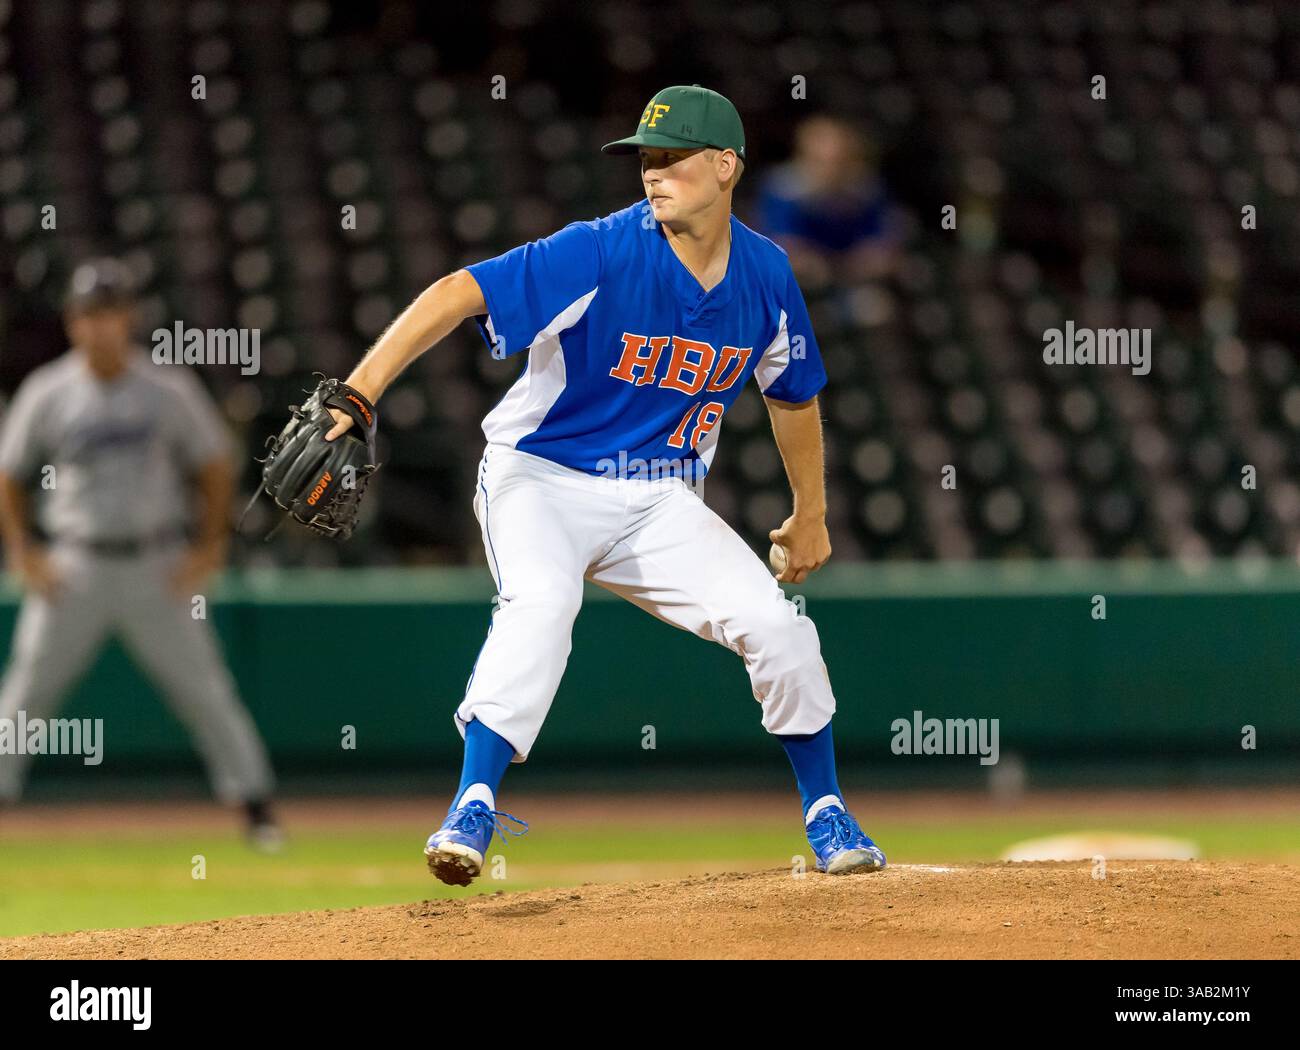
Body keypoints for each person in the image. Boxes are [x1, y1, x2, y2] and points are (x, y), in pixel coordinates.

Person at [327, 86, 887, 883]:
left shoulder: (767, 273)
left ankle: (826, 810)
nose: (652, 174)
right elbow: (458, 293)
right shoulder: (598, 249)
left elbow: (791, 393)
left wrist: (812, 513)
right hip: (541, 479)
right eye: (645, 159)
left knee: (776, 625)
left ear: (726, 166)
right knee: (543, 605)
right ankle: (474, 801)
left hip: (659, 499)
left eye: (671, 158)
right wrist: (358, 391)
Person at [0, 258, 282, 850]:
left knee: (206, 690)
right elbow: (9, 473)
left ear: (129, 317)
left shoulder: (167, 389)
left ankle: (257, 810)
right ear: (73, 321)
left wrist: (210, 545)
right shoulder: (48, 390)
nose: (100, 325)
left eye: (111, 312)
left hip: (158, 564)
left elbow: (214, 463)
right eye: (89, 314)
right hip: (74, 565)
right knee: (25, 693)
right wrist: (22, 551)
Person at [756, 115, 899, 286]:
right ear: (802, 156)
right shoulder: (783, 189)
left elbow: (882, 239)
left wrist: (870, 257)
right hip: (801, 279)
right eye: (820, 161)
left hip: (856, 274)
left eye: (839, 161)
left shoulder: (865, 189)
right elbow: (777, 243)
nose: (831, 170)